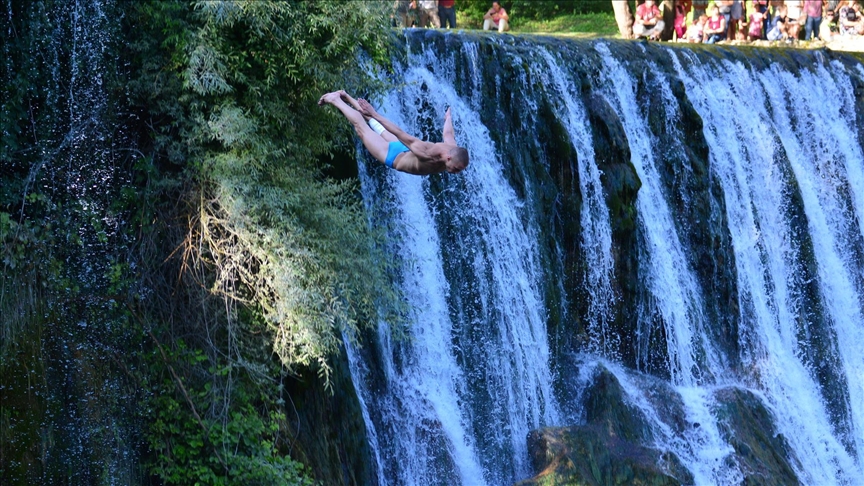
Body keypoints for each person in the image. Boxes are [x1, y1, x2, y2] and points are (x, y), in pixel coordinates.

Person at [318, 91, 469, 175]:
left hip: (403, 150)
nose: (456, 172)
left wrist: (448, 118)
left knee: (374, 124)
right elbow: (400, 133)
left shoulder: (452, 148)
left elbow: (448, 134)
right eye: (456, 168)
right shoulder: (427, 153)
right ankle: (336, 99)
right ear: (448, 158)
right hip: (392, 156)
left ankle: (346, 96)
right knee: (362, 128)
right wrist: (375, 113)